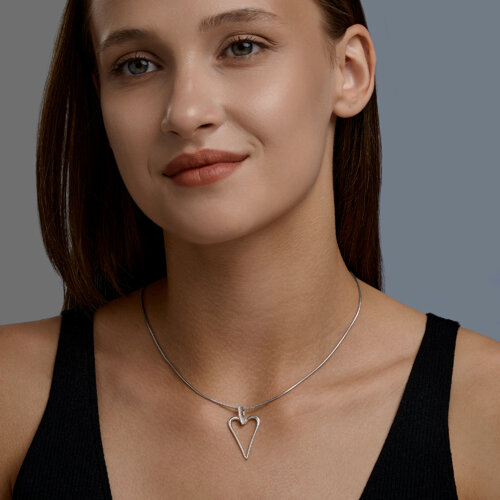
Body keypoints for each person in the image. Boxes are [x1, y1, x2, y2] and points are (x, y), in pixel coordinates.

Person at [1, 0, 499, 498]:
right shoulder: (12, 392)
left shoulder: (485, 409)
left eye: (241, 47)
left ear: (349, 71)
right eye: (137, 65)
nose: (185, 113)